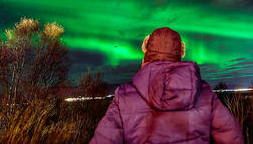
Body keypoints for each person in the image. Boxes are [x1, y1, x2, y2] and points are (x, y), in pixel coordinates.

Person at [90, 27, 244, 143]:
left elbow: (104, 138)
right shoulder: (203, 92)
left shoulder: (124, 95)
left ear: (146, 51)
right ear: (180, 52)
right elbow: (232, 135)